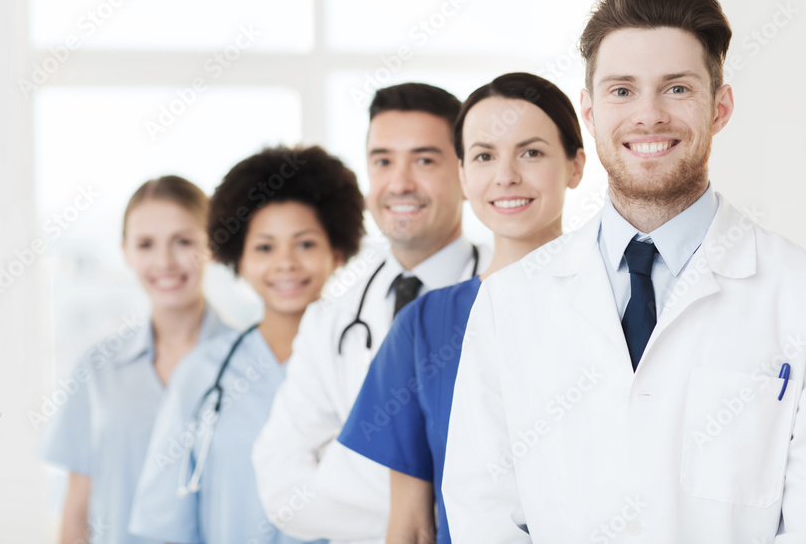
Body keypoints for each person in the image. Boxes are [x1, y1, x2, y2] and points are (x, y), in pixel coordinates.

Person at [443, 0, 806, 542]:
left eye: (676, 89)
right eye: (622, 91)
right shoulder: (510, 302)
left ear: (720, 107)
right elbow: (483, 510)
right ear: (591, 111)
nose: (648, 116)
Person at [338, 72, 585, 544]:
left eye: (531, 152)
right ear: (464, 175)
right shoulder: (425, 327)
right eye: (484, 156)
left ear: (575, 166)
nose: (506, 175)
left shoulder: (625, 303)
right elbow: (411, 526)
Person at [251, 83, 489, 543]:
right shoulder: (330, 321)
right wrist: (427, 507)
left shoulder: (507, 295)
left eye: (424, 160)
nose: (399, 183)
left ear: (463, 171)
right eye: (382, 161)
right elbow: (281, 485)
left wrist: (345, 469)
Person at [128, 146, 364, 544]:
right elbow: (161, 525)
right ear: (239, 258)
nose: (285, 263)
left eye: (305, 244)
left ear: (336, 252)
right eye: (265, 247)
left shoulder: (366, 367)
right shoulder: (202, 374)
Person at [39, 176, 235, 544]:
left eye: (183, 242)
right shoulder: (97, 368)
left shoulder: (247, 362)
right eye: (146, 244)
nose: (164, 261)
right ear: (126, 252)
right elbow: (77, 511)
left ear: (212, 243)